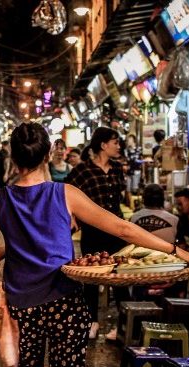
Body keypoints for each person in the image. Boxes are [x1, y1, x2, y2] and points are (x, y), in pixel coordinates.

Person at [0, 122, 189, 367]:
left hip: (22, 307)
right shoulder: (64, 194)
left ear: (14, 156)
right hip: (64, 302)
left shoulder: (0, 199)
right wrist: (176, 250)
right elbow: (123, 229)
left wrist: (14, 243)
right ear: (48, 155)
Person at [65, 127, 127, 339]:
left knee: (120, 277)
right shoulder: (83, 170)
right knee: (91, 277)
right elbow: (66, 194)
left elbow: (119, 197)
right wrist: (73, 217)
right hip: (93, 231)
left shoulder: (117, 168)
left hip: (117, 230)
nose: (118, 146)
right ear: (103, 145)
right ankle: (91, 322)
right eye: (115, 142)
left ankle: (123, 324)